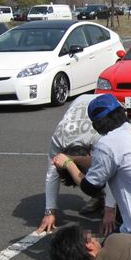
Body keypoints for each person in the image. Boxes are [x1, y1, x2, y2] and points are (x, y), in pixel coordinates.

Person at [53, 94, 131, 242]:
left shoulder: (107, 145)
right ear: (123, 113)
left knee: (98, 257)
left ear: (96, 126)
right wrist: (75, 159)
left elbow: (90, 187)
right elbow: (110, 163)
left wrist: (68, 165)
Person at [37, 94, 114, 233]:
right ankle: (98, 197)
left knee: (110, 168)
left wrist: (110, 210)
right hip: (80, 103)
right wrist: (49, 212)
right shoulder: (58, 139)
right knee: (83, 174)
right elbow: (52, 174)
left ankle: (107, 200)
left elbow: (111, 173)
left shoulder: (101, 139)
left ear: (90, 153)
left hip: (107, 104)